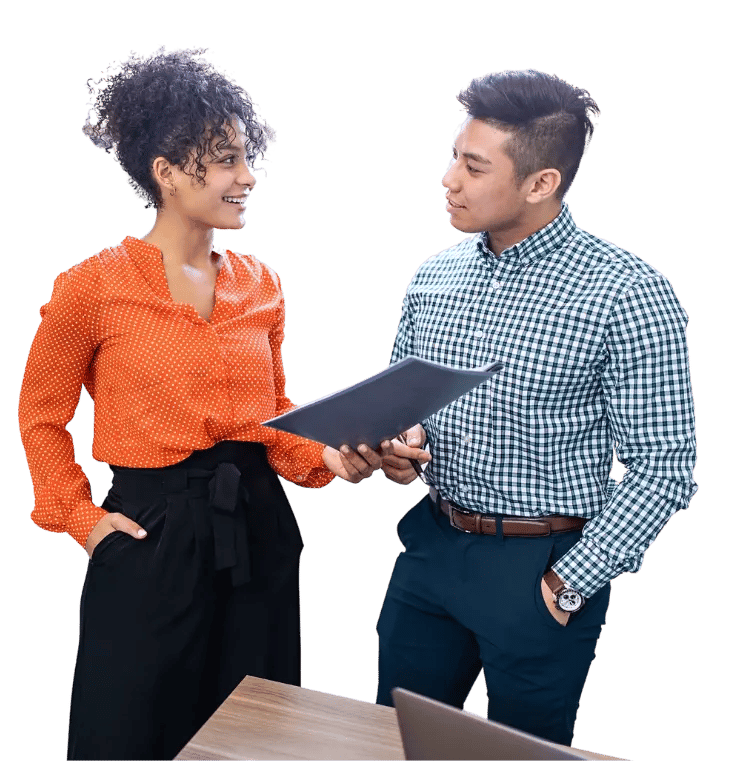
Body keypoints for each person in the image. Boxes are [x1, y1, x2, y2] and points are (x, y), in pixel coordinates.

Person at [17, 45, 407, 761]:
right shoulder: (91, 287)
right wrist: (81, 517)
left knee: (255, 737)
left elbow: (269, 421)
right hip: (147, 536)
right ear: (166, 171)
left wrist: (330, 455)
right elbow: (41, 414)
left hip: (259, 534)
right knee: (126, 730)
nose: (246, 176)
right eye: (225, 159)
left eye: (244, 156)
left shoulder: (264, 283)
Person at [377, 68, 698, 746]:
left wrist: (567, 582)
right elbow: (402, 408)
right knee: (390, 739)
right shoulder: (433, 275)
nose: (447, 179)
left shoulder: (629, 294)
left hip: (543, 566)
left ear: (541, 182)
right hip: (431, 551)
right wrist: (397, 449)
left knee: (520, 750)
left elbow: (665, 466)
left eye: (472, 166)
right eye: (452, 155)